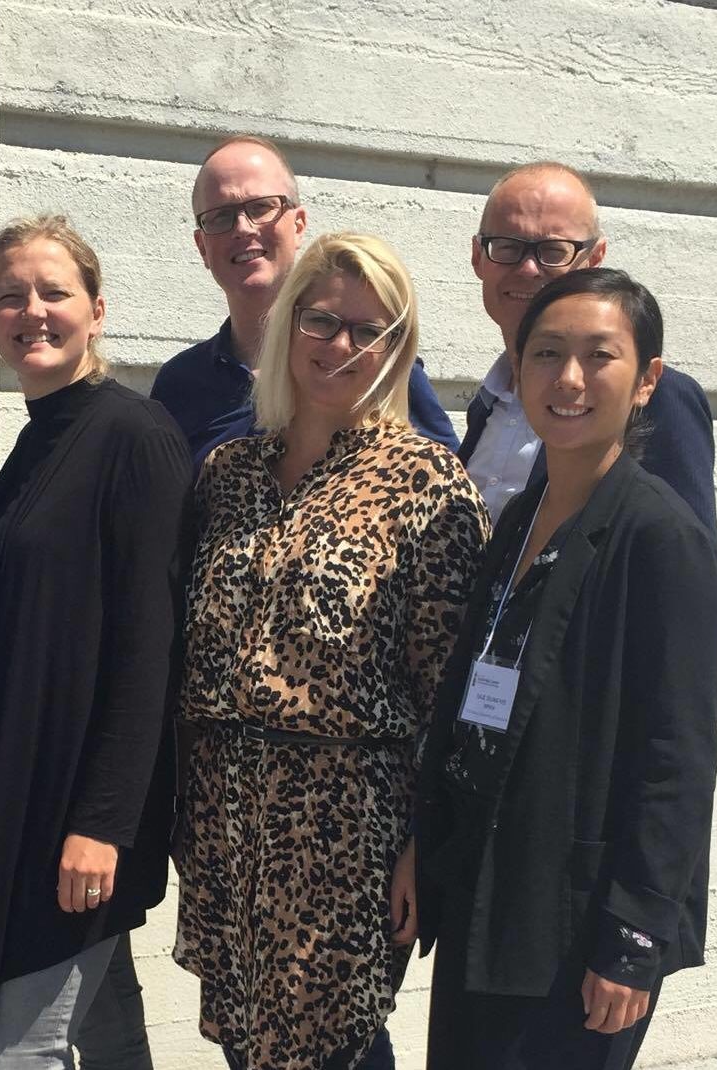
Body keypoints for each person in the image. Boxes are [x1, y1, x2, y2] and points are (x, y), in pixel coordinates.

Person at [0, 216, 191, 1070]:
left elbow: (146, 654)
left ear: (97, 310)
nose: (32, 311)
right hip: (18, 805)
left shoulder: (135, 437)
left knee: (26, 1049)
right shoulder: (37, 439)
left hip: (72, 815)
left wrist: (102, 826)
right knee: (109, 1036)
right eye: (9, 296)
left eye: (53, 292)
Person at [171, 232, 489, 1070]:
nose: (341, 345)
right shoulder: (230, 473)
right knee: (247, 1045)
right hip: (223, 817)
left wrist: (422, 839)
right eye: (321, 320)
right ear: (287, 325)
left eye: (369, 331)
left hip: (344, 831)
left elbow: (449, 691)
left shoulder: (426, 483)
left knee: (338, 1051)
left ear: (397, 348)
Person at [402, 269, 717, 1070]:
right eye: (546, 354)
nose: (569, 379)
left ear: (646, 379)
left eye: (599, 356)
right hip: (490, 885)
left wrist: (632, 935)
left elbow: (676, 760)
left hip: (577, 915)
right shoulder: (520, 514)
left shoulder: (662, 541)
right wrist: (421, 840)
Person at [149, 134, 458, 467]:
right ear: (201, 246)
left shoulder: (373, 363)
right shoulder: (180, 384)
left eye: (261, 207)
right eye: (221, 217)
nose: (243, 228)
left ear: (298, 225)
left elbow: (446, 487)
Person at [460, 162, 717, 534]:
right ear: (477, 257)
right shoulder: (488, 403)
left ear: (595, 260)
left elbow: (688, 569)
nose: (529, 269)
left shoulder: (655, 399)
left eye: (553, 250)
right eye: (507, 247)